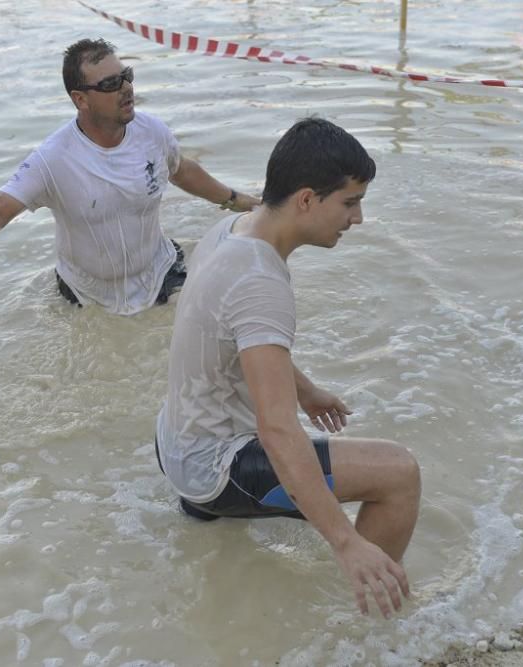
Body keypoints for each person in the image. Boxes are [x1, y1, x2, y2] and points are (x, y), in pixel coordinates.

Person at [155, 118, 421, 618]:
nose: (357, 219)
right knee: (398, 473)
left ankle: (207, 519)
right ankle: (364, 630)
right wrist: (346, 543)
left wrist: (306, 391)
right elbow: (277, 432)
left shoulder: (233, 229)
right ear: (305, 200)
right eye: (349, 202)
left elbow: (234, 341)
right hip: (212, 469)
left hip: (173, 438)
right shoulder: (261, 281)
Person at [0, 38, 258, 315]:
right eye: (111, 83)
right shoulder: (52, 160)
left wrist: (237, 200)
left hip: (162, 273)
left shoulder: (152, 132)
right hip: (86, 294)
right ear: (81, 100)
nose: (126, 87)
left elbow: (180, 170)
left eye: (127, 75)